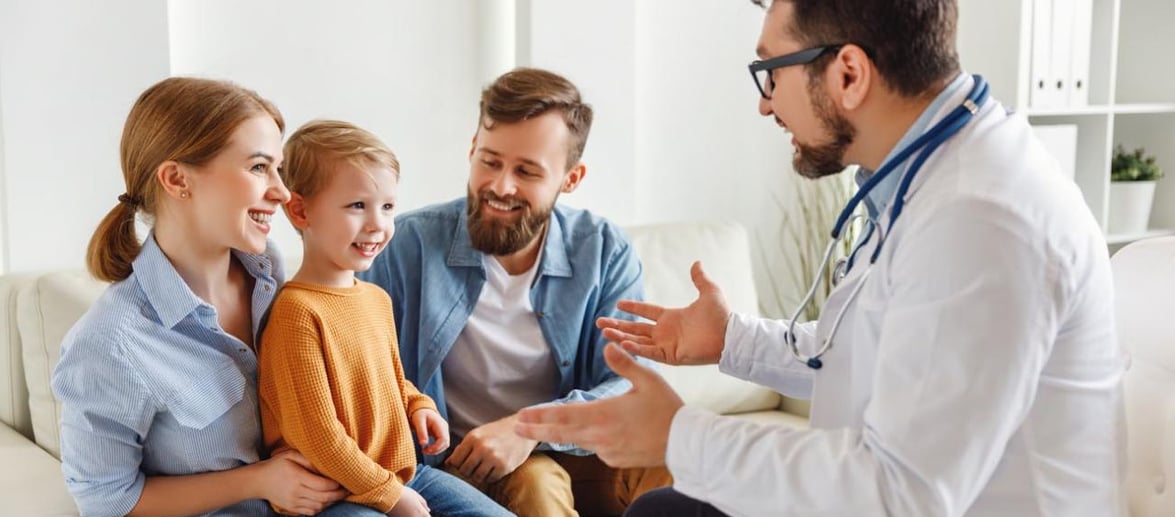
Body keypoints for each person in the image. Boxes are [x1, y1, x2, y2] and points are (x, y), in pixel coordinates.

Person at [514, 1, 1126, 516]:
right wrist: (732, 339)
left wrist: (680, 435)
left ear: (849, 74)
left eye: (771, 73)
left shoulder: (981, 221)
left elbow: (900, 494)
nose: (765, 104)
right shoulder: (931, 175)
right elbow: (873, 355)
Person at [358, 67, 672, 516]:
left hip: (575, 448)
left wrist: (528, 430)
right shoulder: (405, 246)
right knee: (537, 481)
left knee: (680, 462)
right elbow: (358, 368)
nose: (501, 186)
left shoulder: (604, 250)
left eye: (526, 171)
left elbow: (630, 386)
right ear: (471, 150)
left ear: (571, 178)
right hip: (467, 462)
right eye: (490, 161)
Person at [51, 77, 348, 516]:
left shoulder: (268, 270)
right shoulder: (109, 344)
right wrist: (260, 480)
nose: (282, 192)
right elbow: (106, 501)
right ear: (177, 179)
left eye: (278, 169)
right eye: (259, 168)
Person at [258, 119, 513, 517]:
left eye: (388, 207)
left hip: (401, 474)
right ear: (300, 209)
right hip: (334, 495)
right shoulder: (297, 313)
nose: (378, 224)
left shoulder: (374, 299)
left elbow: (391, 379)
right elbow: (318, 437)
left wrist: (418, 405)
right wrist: (389, 495)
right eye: (357, 206)